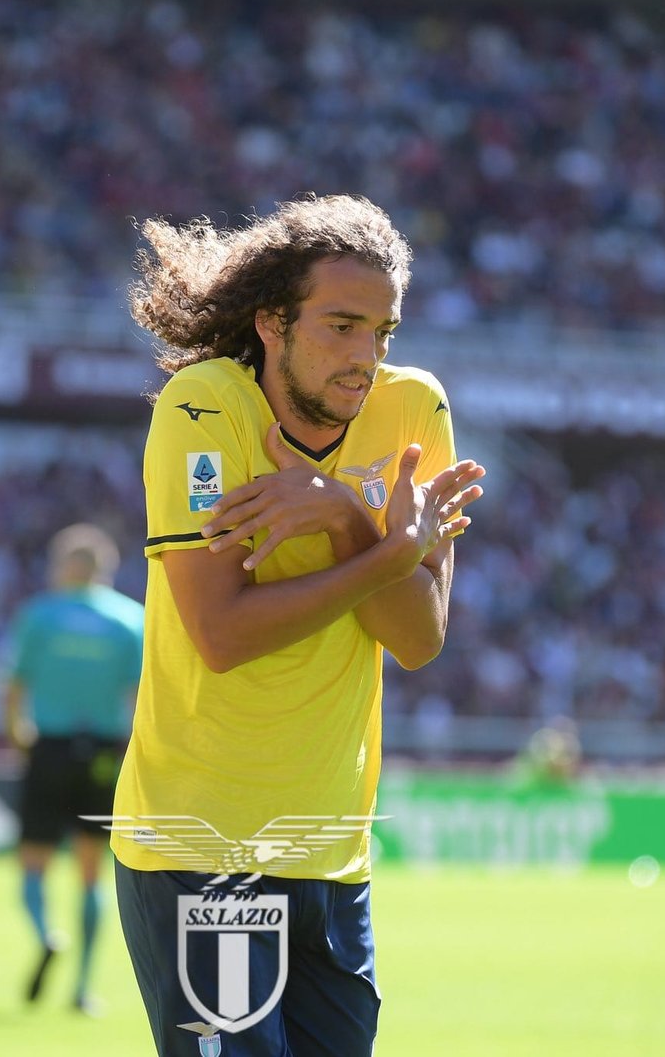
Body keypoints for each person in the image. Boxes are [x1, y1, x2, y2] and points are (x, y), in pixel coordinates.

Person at [110, 193, 485, 1056]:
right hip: (206, 846)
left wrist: (342, 518)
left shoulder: (414, 409)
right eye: (341, 326)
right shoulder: (205, 407)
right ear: (272, 322)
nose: (365, 358)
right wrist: (382, 554)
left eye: (382, 332)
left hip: (331, 855)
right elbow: (222, 633)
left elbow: (420, 637)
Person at [1, 522, 145, 1014]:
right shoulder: (130, 619)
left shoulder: (40, 616)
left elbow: (14, 685)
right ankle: (83, 989)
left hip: (51, 745)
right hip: (103, 750)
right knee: (91, 874)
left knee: (34, 865)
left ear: (65, 566)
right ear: (105, 570)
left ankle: (46, 934)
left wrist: (19, 735)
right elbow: (139, 697)